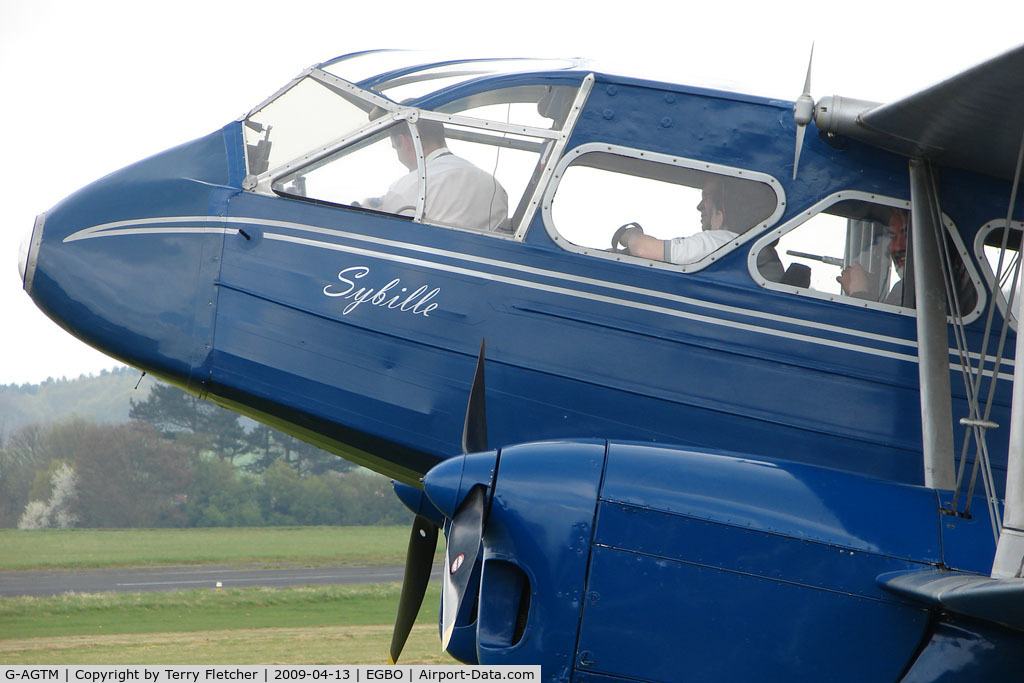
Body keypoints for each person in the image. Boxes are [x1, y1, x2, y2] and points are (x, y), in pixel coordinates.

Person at [362, 117, 510, 232]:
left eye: (395, 147)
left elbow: (387, 241)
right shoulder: (495, 186)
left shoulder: (406, 188)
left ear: (403, 141)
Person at [614, 176, 774, 266]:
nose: (700, 207)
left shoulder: (720, 241)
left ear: (726, 205)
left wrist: (629, 235)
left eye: (707, 197)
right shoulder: (751, 249)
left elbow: (643, 249)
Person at [837, 208, 910, 306]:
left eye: (907, 236)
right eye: (893, 237)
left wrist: (859, 293)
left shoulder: (916, 290)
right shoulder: (903, 288)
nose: (898, 247)